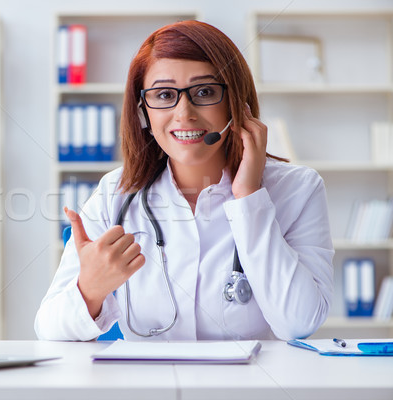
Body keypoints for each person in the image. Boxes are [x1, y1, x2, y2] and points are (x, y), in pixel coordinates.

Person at [35, 20, 334, 341]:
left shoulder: (298, 189)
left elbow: (299, 323)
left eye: (204, 91)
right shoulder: (114, 194)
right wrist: (90, 290)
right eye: (164, 94)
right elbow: (49, 328)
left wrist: (250, 198)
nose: (184, 112)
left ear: (237, 102)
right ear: (142, 112)